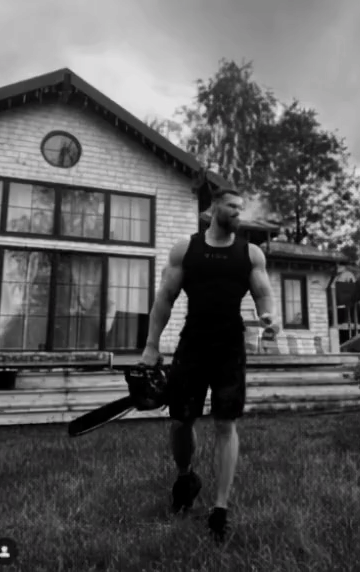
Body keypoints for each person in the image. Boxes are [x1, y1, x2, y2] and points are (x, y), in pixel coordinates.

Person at [139, 187, 278, 541]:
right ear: (214, 208)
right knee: (180, 421)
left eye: (241, 208)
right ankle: (186, 476)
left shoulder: (250, 253)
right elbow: (164, 299)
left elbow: (263, 294)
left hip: (230, 345)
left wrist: (269, 317)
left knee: (225, 424)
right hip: (193, 343)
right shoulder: (186, 250)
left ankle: (220, 509)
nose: (238, 212)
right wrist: (151, 346)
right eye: (232, 206)